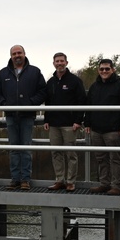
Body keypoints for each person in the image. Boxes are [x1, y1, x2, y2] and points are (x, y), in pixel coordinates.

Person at [0, 45, 47, 190]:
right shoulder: (3, 74)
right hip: (11, 116)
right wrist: (4, 104)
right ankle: (15, 178)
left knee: (26, 147)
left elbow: (43, 91)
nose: (17, 55)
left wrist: (31, 103)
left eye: (19, 53)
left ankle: (25, 179)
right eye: (14, 53)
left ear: (24, 54)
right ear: (10, 55)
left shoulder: (35, 72)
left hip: (27, 116)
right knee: (13, 148)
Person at [84, 58, 120, 195]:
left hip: (113, 130)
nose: (104, 71)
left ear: (113, 70)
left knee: (115, 159)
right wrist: (87, 123)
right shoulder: (95, 86)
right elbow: (88, 106)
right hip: (96, 129)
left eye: (107, 69)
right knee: (101, 158)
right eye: (102, 69)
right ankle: (104, 183)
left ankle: (117, 185)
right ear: (98, 70)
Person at [43, 52, 86, 192]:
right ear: (53, 63)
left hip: (70, 124)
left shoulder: (75, 81)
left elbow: (82, 101)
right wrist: (46, 119)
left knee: (70, 153)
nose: (59, 63)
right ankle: (59, 180)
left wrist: (78, 120)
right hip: (54, 124)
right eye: (57, 61)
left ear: (66, 63)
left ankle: (71, 181)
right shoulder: (51, 82)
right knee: (56, 152)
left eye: (62, 61)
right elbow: (48, 102)